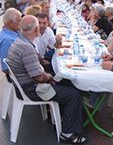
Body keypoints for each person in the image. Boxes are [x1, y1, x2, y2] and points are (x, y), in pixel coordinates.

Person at [6, 15, 86, 143]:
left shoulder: (20, 41)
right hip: (33, 89)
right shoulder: (26, 48)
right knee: (73, 94)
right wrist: (51, 78)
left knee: (66, 82)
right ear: (36, 30)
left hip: (25, 85)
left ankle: (66, 118)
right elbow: (39, 77)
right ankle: (67, 133)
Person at [0, 8, 22, 74]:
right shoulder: (8, 40)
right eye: (19, 21)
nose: (21, 23)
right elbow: (6, 67)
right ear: (9, 23)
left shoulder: (8, 33)